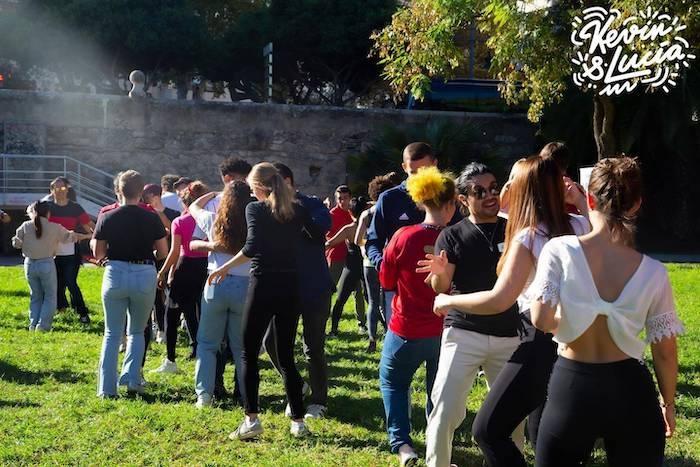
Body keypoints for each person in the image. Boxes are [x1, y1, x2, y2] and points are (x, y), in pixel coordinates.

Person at [430, 155, 589, 467]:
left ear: (526, 189)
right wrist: (580, 202)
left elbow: (500, 299)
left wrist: (447, 301)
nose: (497, 192)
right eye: (482, 191)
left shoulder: (526, 235)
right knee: (544, 432)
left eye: (504, 185)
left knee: (493, 429)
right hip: (575, 340)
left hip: (533, 339)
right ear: (464, 199)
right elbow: (604, 231)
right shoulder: (580, 225)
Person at [531, 157, 684, 466]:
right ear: (636, 205)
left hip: (572, 386)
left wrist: (569, 320)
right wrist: (668, 403)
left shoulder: (559, 250)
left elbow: (541, 319)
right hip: (630, 388)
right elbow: (665, 351)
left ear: (588, 199)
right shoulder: (654, 272)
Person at [417, 163, 524, 467]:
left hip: (509, 335)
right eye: (480, 191)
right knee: (447, 407)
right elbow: (442, 286)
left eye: (493, 187)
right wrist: (439, 274)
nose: (490, 195)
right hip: (464, 333)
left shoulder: (513, 230)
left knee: (512, 415)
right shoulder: (451, 236)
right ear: (463, 199)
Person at [208, 162, 324, 439]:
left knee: (248, 351)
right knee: (286, 356)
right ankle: (298, 422)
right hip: (291, 285)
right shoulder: (297, 208)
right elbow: (318, 236)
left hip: (263, 283)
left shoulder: (255, 208)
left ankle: (251, 419)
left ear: (258, 186)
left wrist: (224, 268)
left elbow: (251, 248)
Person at [379, 167, 456, 467]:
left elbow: (385, 278)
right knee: (437, 389)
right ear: (451, 205)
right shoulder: (459, 237)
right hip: (446, 329)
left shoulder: (403, 236)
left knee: (393, 383)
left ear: (422, 201)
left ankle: (403, 446)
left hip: (405, 328)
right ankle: (437, 444)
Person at [263, 162, 334, 419]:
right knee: (271, 341)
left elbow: (320, 230)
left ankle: (318, 400)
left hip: (314, 287)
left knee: (313, 346)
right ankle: (297, 385)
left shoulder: (311, 204)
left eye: (277, 185)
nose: (273, 191)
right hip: (282, 287)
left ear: (289, 182)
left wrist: (293, 210)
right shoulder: (266, 210)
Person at [366, 142, 460, 325]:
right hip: (400, 290)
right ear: (404, 168)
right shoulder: (390, 198)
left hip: (442, 286)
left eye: (425, 172)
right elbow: (373, 241)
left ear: (435, 165)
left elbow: (460, 236)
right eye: (414, 173)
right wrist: (384, 265)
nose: (419, 180)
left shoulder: (447, 198)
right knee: (399, 337)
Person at [93, 170, 168, 397]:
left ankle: (106, 388)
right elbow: (163, 250)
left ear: (118, 191)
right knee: (137, 330)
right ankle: (133, 379)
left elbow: (98, 252)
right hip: (144, 271)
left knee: (112, 333)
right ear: (141, 191)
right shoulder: (151, 216)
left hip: (115, 271)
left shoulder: (107, 216)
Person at [189, 181, 252, 408]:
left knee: (207, 343)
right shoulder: (253, 223)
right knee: (241, 345)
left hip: (215, 282)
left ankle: (204, 394)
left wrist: (213, 193)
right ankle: (245, 394)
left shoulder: (213, 221)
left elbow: (193, 207)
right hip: (245, 285)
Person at [153, 181, 210, 374]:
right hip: (205, 267)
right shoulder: (211, 219)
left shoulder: (180, 221)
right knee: (195, 311)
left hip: (185, 267)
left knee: (172, 312)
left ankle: (170, 358)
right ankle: (198, 349)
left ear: (184, 203)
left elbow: (174, 252)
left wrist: (163, 272)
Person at [12, 201, 90, 331]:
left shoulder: (25, 226)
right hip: (46, 263)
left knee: (35, 295)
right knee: (50, 296)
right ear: (48, 213)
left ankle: (33, 324)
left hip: (29, 263)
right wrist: (88, 235)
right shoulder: (55, 227)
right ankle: (43, 326)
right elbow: (70, 237)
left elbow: (16, 243)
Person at [355, 175, 397, 351]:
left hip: (369, 263)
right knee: (389, 301)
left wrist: (367, 251)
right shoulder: (392, 210)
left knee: (373, 302)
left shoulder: (367, 213)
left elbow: (357, 239)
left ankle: (372, 339)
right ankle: (390, 334)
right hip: (389, 261)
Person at [47, 177, 94, 324]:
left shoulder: (75, 208)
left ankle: (83, 314)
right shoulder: (47, 207)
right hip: (52, 253)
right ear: (51, 190)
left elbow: (92, 230)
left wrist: (82, 236)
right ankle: (62, 311)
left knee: (71, 283)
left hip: (71, 254)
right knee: (57, 284)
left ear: (68, 190)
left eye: (63, 188)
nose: (60, 191)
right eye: (56, 188)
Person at [142, 183, 181, 342]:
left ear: (155, 195)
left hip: (168, 257)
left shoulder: (173, 213)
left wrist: (157, 213)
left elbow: (172, 229)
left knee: (163, 294)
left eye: (147, 196)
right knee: (152, 295)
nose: (144, 199)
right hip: (151, 256)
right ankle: (154, 328)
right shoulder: (144, 213)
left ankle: (164, 329)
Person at [326, 196, 368, 336]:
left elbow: (330, 243)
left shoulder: (349, 229)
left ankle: (333, 330)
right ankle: (384, 328)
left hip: (351, 267)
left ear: (351, 212)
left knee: (340, 299)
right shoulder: (371, 227)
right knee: (372, 300)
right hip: (366, 266)